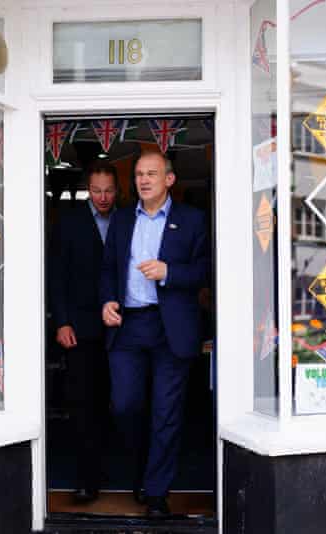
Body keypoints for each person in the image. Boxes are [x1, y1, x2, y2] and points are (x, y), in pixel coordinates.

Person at [100, 151, 211, 517]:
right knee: (126, 405)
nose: (143, 180)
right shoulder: (120, 220)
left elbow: (204, 272)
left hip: (171, 329)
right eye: (138, 175)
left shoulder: (192, 220)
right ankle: (141, 471)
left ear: (169, 180)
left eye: (151, 174)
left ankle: (157, 491)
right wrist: (107, 300)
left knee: (166, 412)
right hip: (128, 326)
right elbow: (108, 269)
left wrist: (169, 272)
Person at [49, 162, 118, 503]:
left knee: (121, 403)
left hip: (124, 328)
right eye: (96, 190)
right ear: (87, 190)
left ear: (117, 190)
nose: (102, 197)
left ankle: (121, 473)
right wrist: (61, 321)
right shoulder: (69, 222)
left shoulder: (128, 219)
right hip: (79, 328)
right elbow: (56, 275)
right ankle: (85, 479)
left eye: (108, 190)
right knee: (83, 406)